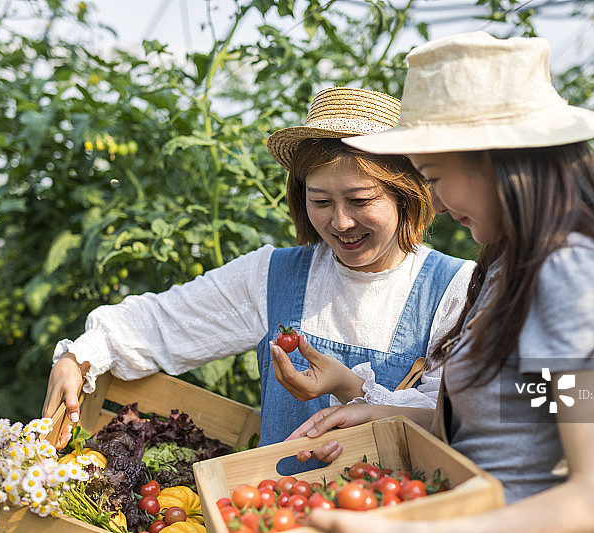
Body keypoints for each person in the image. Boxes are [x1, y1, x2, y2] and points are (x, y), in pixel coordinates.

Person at [286, 32, 594, 532]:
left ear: (497, 163)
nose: (434, 202)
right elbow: (507, 426)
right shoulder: (509, 266)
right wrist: (377, 413)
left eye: (434, 176)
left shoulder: (573, 274)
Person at [42, 86, 475, 448]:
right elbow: (159, 324)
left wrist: (350, 387)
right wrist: (79, 357)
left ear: (405, 196)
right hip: (271, 514)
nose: (340, 222)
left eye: (361, 201)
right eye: (321, 201)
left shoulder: (456, 290)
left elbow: (461, 419)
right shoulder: (271, 276)